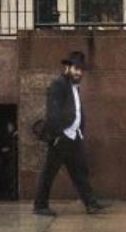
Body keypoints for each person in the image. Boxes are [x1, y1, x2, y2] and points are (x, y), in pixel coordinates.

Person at [33, 51, 106, 216]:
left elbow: (76, 110)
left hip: (74, 136)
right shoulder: (58, 85)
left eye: (81, 69)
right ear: (67, 68)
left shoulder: (74, 87)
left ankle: (91, 204)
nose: (79, 72)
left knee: (80, 172)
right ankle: (40, 206)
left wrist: (79, 130)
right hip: (62, 137)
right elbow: (53, 113)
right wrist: (58, 135)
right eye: (76, 68)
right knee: (49, 172)